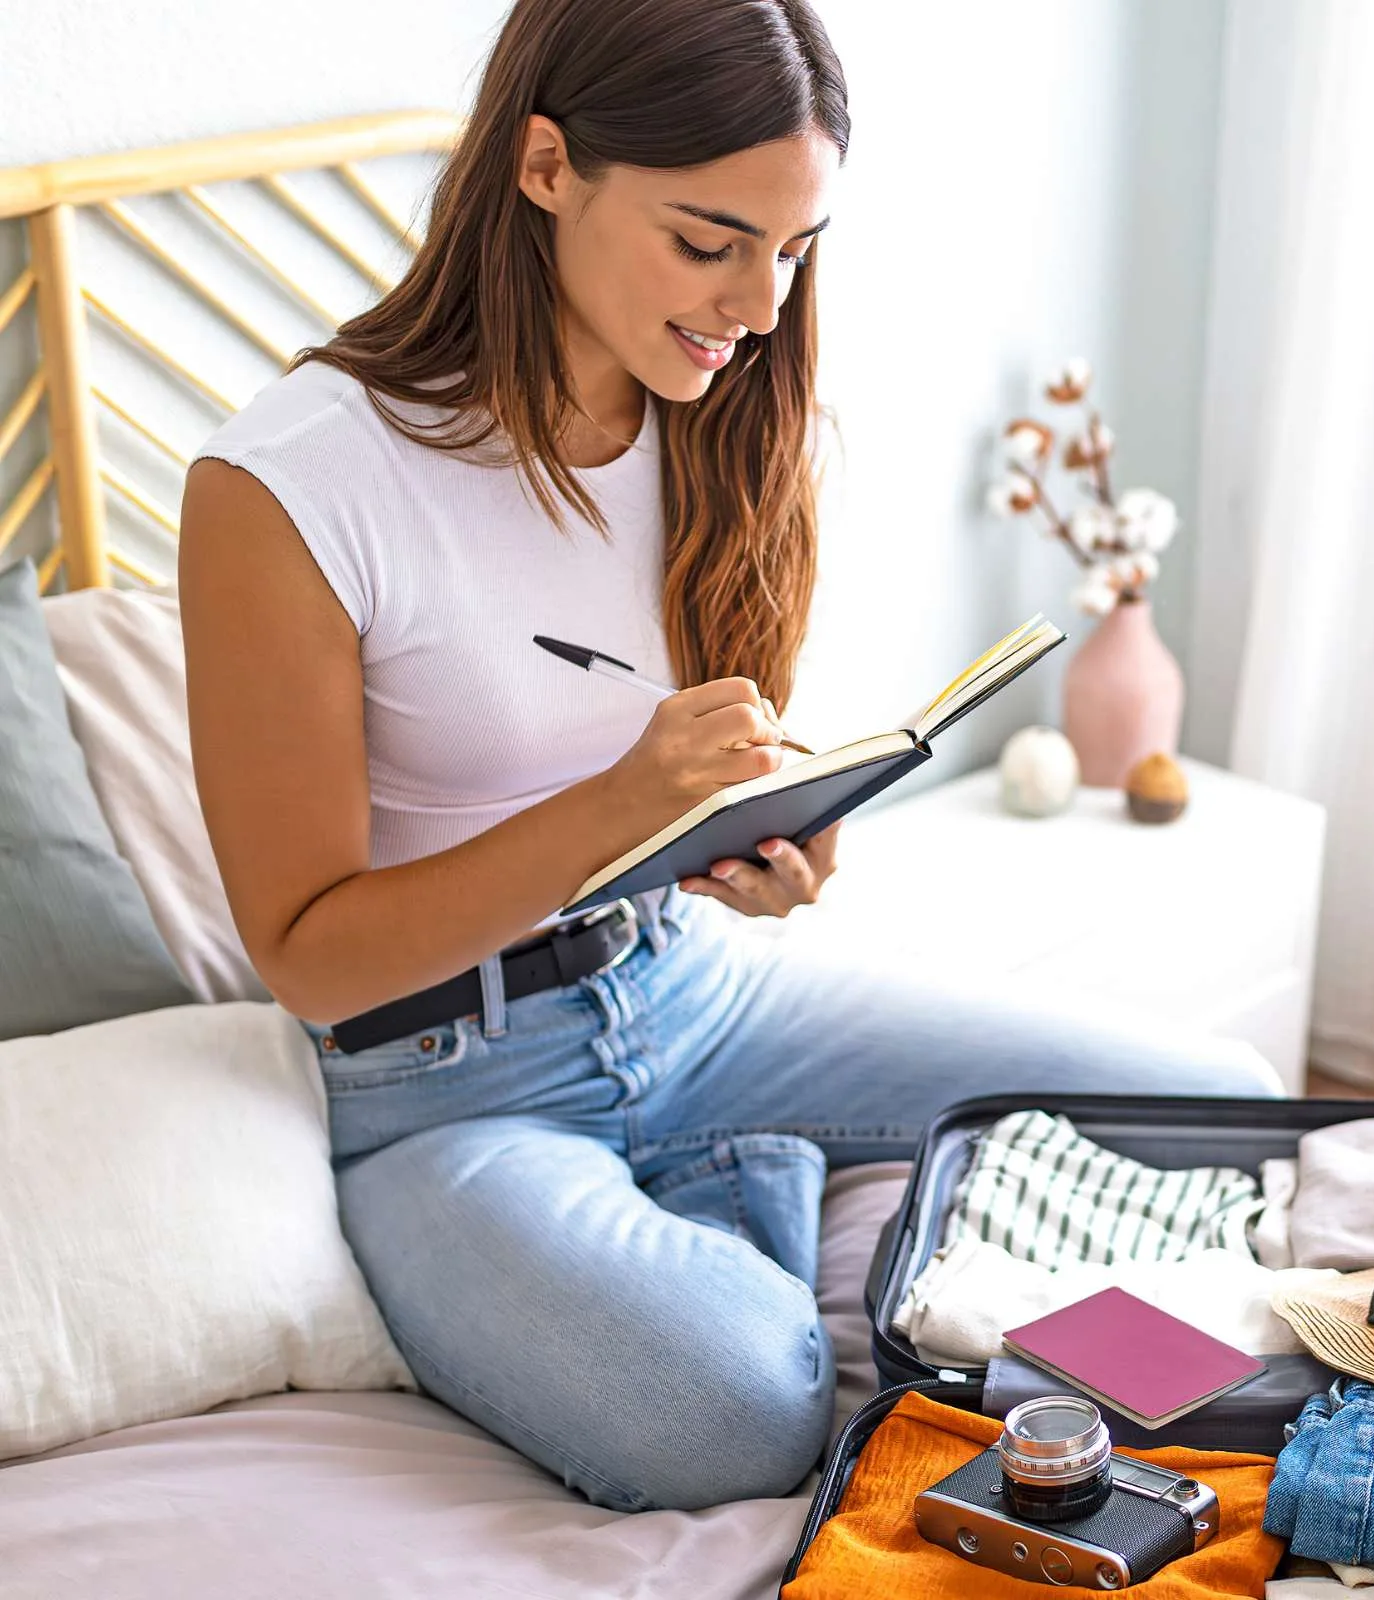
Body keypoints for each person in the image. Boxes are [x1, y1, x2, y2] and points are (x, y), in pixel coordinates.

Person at [179, 0, 1277, 1515]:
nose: (758, 304)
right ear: (547, 164)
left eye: (794, 246)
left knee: (1221, 1108)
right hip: (446, 1088)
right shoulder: (290, 488)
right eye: (710, 241)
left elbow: (687, 755)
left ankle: (753, 1177)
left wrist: (754, 830)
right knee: (739, 1409)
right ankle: (757, 1190)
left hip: (689, 986)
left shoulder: (728, 410)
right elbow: (310, 960)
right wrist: (622, 806)